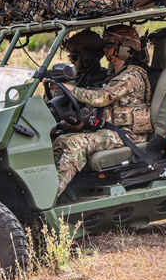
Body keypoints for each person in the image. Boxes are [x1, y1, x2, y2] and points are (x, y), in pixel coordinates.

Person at [52, 25, 152, 196]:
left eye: (110, 44)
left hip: (128, 135)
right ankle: (55, 188)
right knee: (61, 140)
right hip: (112, 130)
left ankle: (51, 196)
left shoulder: (132, 76)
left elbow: (101, 98)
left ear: (124, 48)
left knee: (77, 143)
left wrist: (69, 89)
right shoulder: (115, 74)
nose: (105, 49)